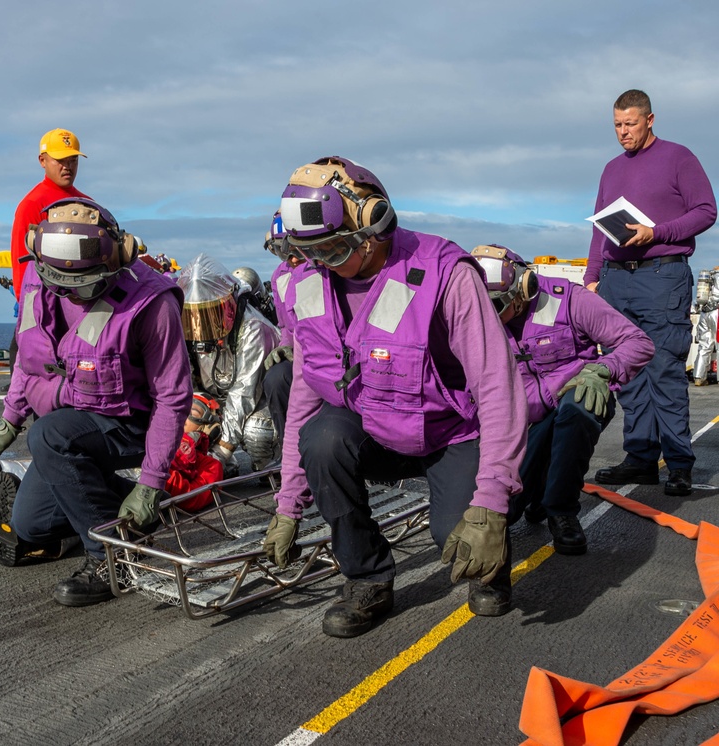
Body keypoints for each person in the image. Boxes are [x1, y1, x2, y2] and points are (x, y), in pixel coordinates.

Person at [262, 156, 527, 638]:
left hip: (449, 432)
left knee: (458, 542)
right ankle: (367, 579)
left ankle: (496, 557)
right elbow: (304, 392)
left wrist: (491, 501)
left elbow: (498, 388)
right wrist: (288, 504)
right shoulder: (309, 282)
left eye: (335, 250)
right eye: (312, 253)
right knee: (321, 439)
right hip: (377, 428)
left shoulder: (446, 274)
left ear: (373, 225)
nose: (324, 264)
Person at [0, 198, 192, 607]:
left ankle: (112, 558)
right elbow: (29, 356)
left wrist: (152, 478)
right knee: (31, 525)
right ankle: (132, 510)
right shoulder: (39, 281)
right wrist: (8, 420)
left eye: (83, 286)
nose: (70, 295)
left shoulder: (151, 302)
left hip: (127, 424)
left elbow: (172, 397)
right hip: (66, 424)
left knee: (51, 435)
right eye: (60, 284)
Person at [471, 245, 654, 555]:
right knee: (506, 510)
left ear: (524, 288)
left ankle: (562, 512)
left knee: (575, 412)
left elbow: (638, 342)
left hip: (579, 394)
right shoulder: (478, 318)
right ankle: (541, 493)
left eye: (499, 307)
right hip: (525, 419)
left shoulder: (570, 299)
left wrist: (602, 370)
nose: (494, 319)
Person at [584, 90, 716, 497]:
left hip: (662, 276)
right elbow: (598, 228)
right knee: (628, 372)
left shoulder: (679, 157)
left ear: (650, 119)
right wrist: (592, 278)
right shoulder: (610, 169)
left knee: (663, 369)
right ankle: (640, 460)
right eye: (617, 126)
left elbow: (706, 211)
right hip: (615, 279)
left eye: (630, 124)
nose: (623, 132)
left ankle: (678, 464)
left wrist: (656, 232)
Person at [177, 254, 280, 474]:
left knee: (257, 433)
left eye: (209, 314)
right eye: (193, 315)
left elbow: (244, 392)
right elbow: (186, 383)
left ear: (228, 305)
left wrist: (223, 450)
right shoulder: (187, 331)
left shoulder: (254, 328)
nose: (200, 325)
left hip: (260, 400)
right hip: (218, 398)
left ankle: (277, 466)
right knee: (188, 423)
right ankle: (224, 466)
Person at [9, 129, 90, 299]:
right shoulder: (32, 205)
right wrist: (30, 310)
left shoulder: (88, 204)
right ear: (42, 161)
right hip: (48, 304)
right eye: (60, 160)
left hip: (88, 301)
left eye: (73, 160)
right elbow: (22, 266)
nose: (67, 166)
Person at [261, 210, 305, 445]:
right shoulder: (280, 277)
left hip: (329, 357)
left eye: (296, 250)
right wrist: (285, 346)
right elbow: (285, 326)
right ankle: (289, 447)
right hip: (300, 354)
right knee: (275, 379)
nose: (292, 259)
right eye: (282, 252)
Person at [165, 394, 225, 510]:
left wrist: (158, 475)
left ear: (210, 427)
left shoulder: (211, 466)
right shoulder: (151, 439)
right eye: (178, 408)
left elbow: (192, 498)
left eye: (193, 412)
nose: (181, 415)